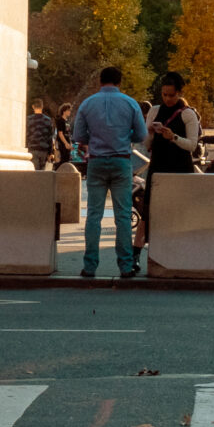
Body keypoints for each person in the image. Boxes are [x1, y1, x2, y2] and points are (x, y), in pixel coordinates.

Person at [70, 66, 147, 278]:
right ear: (119, 82)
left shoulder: (87, 104)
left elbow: (79, 136)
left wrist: (97, 137)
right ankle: (125, 265)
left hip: (96, 162)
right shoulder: (130, 104)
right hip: (122, 162)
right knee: (122, 215)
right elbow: (141, 134)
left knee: (94, 214)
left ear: (100, 82)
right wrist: (123, 135)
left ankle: (90, 266)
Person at [137, 73, 202, 251]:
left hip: (180, 167)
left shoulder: (188, 114)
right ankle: (138, 251)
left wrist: (173, 137)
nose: (167, 99)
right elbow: (148, 144)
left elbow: (192, 145)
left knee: (180, 210)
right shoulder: (154, 111)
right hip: (158, 165)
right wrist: (149, 133)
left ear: (179, 93)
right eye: (164, 94)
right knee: (149, 211)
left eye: (171, 95)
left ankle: (181, 249)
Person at [25, 99, 58, 171]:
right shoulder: (48, 120)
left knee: (34, 173)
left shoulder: (28, 119)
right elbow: (50, 137)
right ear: (42, 107)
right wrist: (51, 152)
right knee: (43, 173)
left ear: (33, 107)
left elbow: (26, 136)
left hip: (32, 149)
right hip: (44, 150)